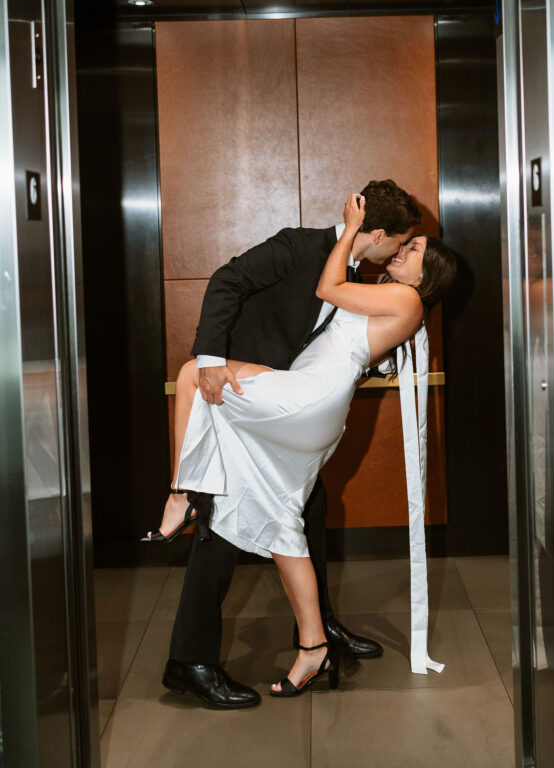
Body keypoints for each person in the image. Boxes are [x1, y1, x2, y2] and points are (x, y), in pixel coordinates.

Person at [153, 192, 458, 701]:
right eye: (405, 241)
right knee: (286, 519)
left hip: (301, 404)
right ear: (381, 236)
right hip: (297, 403)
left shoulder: (395, 296)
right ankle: (314, 642)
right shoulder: (306, 250)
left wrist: (348, 230)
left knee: (192, 385)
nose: (404, 250)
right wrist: (214, 354)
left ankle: (181, 496)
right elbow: (230, 281)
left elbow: (331, 297)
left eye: (415, 250)